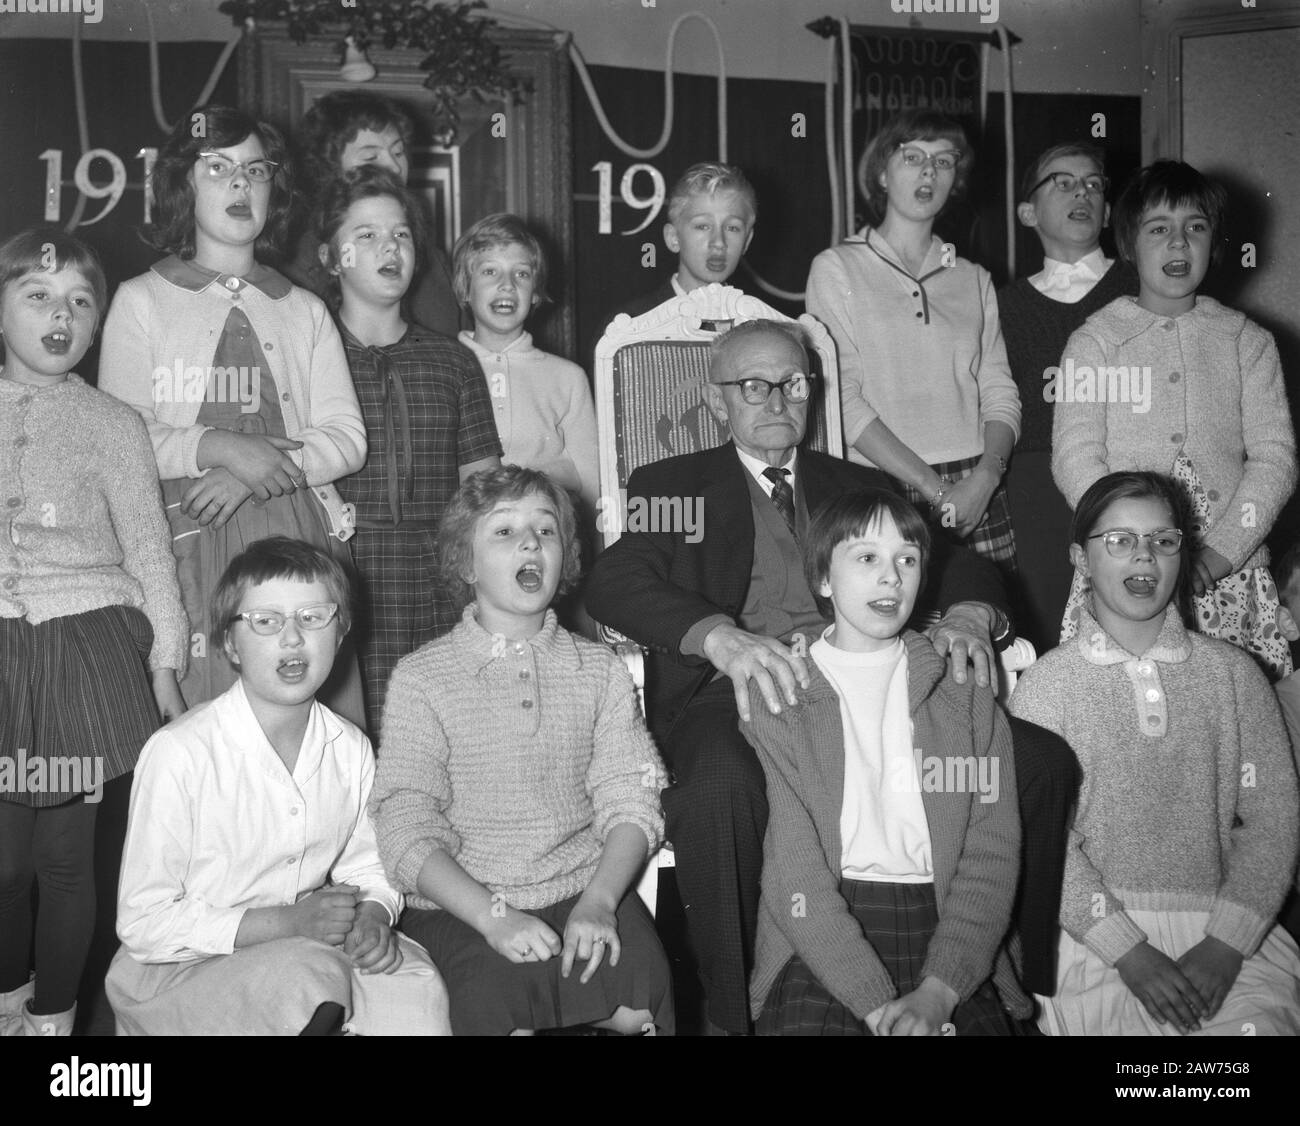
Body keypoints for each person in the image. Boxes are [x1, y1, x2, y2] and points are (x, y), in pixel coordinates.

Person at [585, 318, 1072, 1033]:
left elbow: (956, 558)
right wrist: (718, 637)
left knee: (1041, 763)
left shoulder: (856, 482)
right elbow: (616, 579)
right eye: (754, 385)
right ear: (718, 399)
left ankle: (1003, 973)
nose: (778, 398)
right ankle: (727, 1009)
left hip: (874, 672)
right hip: (746, 689)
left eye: (794, 382)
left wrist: (970, 613)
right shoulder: (677, 485)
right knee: (719, 784)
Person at [370, 466, 673, 1035]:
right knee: (497, 998)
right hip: (467, 905)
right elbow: (405, 829)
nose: (531, 541)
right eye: (504, 532)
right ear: (466, 564)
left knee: (641, 989)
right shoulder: (422, 678)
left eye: (547, 530)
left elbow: (632, 802)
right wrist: (495, 917)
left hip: (585, 887)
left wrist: (602, 901)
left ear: (566, 560)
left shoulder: (599, 672)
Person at [106, 536, 450, 1036]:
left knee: (414, 983)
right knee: (306, 980)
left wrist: (373, 914)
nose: (292, 638)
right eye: (266, 622)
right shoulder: (180, 753)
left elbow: (370, 862)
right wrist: (285, 924)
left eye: (313, 617)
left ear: (341, 630)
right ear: (230, 644)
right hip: (182, 969)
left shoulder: (349, 747)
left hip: (304, 941)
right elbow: (143, 922)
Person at [99, 104, 368, 724]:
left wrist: (255, 466)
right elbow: (120, 434)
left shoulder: (303, 309)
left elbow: (347, 437)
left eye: (256, 169)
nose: (240, 183)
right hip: (190, 540)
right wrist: (218, 446)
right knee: (207, 731)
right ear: (181, 186)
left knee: (305, 729)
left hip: (298, 531)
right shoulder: (142, 300)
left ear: (274, 191)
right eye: (217, 168)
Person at [1010, 471, 1300, 1035]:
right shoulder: (1045, 687)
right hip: (1093, 942)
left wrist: (1227, 944)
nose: (1144, 557)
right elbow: (1045, 842)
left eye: (1164, 541)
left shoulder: (1234, 675)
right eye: (1120, 540)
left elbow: (1274, 820)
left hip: (1228, 934)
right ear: (1079, 557)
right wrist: (1129, 952)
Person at [744, 488, 1027, 1035]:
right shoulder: (780, 691)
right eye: (867, 557)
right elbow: (793, 871)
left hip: (947, 921)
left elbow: (991, 850)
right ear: (824, 579)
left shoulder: (961, 686)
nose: (892, 576)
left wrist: (940, 993)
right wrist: (875, 1007)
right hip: (824, 927)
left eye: (907, 559)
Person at [0, 229, 187, 1036]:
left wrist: (167, 661)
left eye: (81, 301)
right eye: (38, 296)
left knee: (66, 862)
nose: (61, 315)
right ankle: (9, 1000)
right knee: (5, 866)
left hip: (79, 652)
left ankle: (54, 1021)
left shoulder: (114, 423)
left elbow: (149, 549)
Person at [1053, 160, 1297, 681]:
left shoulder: (1247, 341)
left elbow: (1275, 460)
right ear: (1128, 244)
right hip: (1125, 570)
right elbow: (1075, 456)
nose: (1180, 244)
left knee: (1228, 718)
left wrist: (1221, 554)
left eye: (1196, 228)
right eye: (1159, 229)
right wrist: (1124, 541)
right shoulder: (1094, 342)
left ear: (1215, 242)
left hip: (1227, 576)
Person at [314, 166, 501, 735]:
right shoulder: (309, 357)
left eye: (400, 234)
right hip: (340, 571)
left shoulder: (453, 362)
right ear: (330, 257)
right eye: (365, 235)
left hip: (436, 582)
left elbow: (484, 495)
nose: (389, 248)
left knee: (436, 743)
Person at [806, 109, 1021, 574]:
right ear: (882, 173)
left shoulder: (974, 277)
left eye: (944, 161)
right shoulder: (837, 267)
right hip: (879, 483)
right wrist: (935, 489)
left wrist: (985, 477)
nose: (929, 171)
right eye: (913, 157)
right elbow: (839, 398)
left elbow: (999, 392)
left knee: (985, 635)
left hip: (976, 489)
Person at [997, 142, 1138, 651]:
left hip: (1129, 477)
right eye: (1063, 181)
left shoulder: (1140, 286)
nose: (1083, 192)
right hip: (1036, 490)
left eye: (1094, 183)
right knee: (1050, 636)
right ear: (1027, 211)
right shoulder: (1001, 305)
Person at [452, 213, 599, 519]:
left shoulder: (568, 377)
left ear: (535, 294)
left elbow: (593, 483)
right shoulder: (444, 368)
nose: (507, 285)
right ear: (465, 289)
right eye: (490, 271)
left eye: (522, 274)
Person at [286, 89, 462, 338]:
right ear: (330, 168)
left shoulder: (432, 260)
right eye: (371, 156)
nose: (394, 166)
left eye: (398, 152)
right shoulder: (299, 263)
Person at [609, 161, 759, 323]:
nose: (719, 242)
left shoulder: (762, 328)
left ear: (747, 241)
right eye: (702, 226)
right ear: (673, 237)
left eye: (732, 228)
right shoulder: (631, 325)